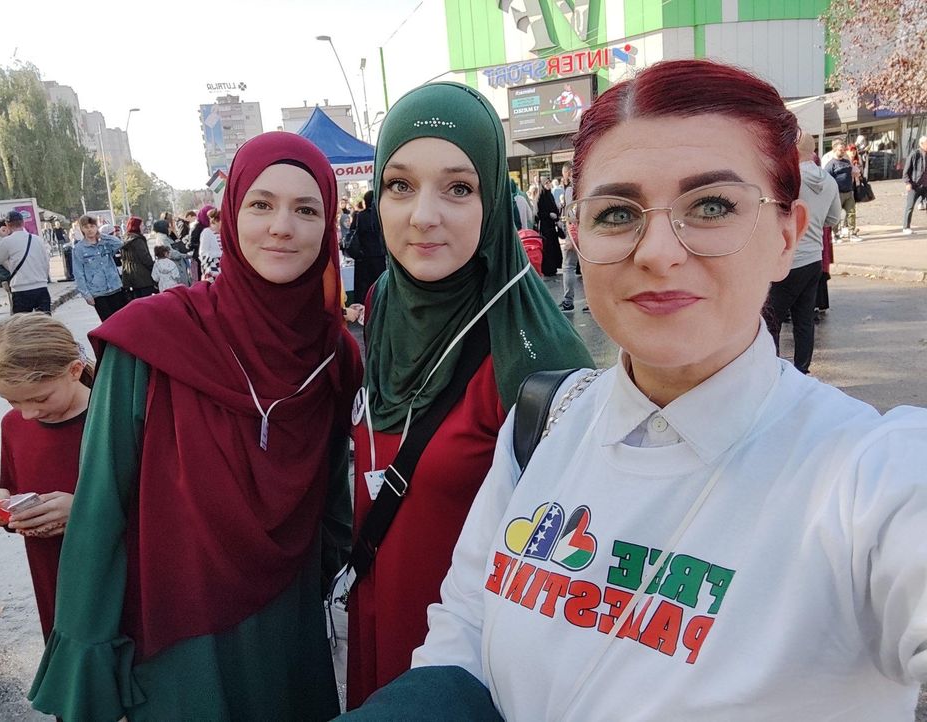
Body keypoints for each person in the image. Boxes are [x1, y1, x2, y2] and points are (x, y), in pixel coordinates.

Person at [345, 59, 927, 721]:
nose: (657, 251)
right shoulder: (545, 423)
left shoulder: (863, 477)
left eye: (711, 206)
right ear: (578, 238)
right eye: (617, 212)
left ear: (787, 237)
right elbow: (464, 640)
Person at [29, 132, 362, 721]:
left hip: (288, 635)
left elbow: (333, 500)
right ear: (231, 215)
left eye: (306, 210)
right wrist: (89, 657)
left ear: (327, 225)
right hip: (180, 647)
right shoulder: (153, 339)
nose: (281, 227)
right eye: (261, 204)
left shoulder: (333, 356)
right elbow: (102, 506)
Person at [344, 81, 593, 710]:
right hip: (377, 601)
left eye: (458, 188)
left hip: (469, 665)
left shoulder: (538, 360)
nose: (423, 215)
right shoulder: (382, 302)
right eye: (400, 185)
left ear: (493, 198)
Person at [0, 313, 92, 640]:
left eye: (40, 398)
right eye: (12, 401)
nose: (27, 413)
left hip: (115, 574)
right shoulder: (13, 425)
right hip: (52, 579)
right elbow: (15, 489)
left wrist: (83, 510)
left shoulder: (113, 418)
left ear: (74, 370)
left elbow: (163, 504)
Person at [763, 129, 840, 374]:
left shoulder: (790, 179)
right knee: (804, 320)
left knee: (770, 320)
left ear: (792, 150)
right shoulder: (829, 180)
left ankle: (771, 370)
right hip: (814, 259)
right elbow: (834, 218)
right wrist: (814, 221)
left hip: (789, 259)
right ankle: (802, 369)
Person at [0, 211, 52, 314]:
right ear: (23, 222)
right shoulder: (38, 240)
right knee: (44, 321)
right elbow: (45, 262)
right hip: (40, 287)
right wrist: (43, 279)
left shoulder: (7, 241)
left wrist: (1, 238)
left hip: (20, 288)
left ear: (7, 225)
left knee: (22, 322)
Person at [71, 215, 127, 321]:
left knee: (122, 320)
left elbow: (119, 243)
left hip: (115, 287)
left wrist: (101, 235)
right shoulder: (79, 249)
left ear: (96, 227)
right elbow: (78, 273)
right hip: (98, 292)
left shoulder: (105, 243)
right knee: (108, 323)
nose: (89, 230)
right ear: (82, 229)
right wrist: (86, 294)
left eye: (92, 226)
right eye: (86, 227)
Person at [347, 190, 385, 305]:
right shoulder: (380, 216)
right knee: (380, 284)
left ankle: (363, 308)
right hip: (378, 254)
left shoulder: (360, 216)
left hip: (362, 255)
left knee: (363, 286)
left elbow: (352, 231)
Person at [823, 140, 858, 242]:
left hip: (849, 192)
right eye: (840, 150)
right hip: (837, 193)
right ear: (835, 150)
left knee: (851, 213)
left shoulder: (847, 162)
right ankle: (836, 234)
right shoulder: (831, 164)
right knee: (836, 215)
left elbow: (853, 172)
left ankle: (852, 233)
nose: (842, 152)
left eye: (843, 150)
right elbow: (827, 179)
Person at [120, 216, 156, 300]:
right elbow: (145, 258)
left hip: (131, 276)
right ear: (136, 226)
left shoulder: (125, 239)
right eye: (141, 225)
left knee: (138, 301)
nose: (143, 227)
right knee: (147, 301)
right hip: (143, 277)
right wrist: (153, 267)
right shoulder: (138, 240)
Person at [559, 161, 579, 311]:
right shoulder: (585, 186)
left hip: (574, 231)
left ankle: (568, 301)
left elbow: (571, 214)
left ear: (568, 173)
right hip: (587, 231)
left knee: (568, 267)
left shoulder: (570, 190)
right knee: (586, 268)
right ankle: (591, 303)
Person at [151, 219, 190, 286]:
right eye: (168, 227)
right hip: (176, 267)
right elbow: (171, 253)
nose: (170, 229)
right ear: (163, 228)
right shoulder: (163, 239)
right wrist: (185, 255)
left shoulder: (166, 237)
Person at [901, 135, 927, 234]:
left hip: (926, 185)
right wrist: (908, 182)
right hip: (915, 185)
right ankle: (906, 227)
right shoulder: (914, 154)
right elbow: (906, 171)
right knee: (910, 206)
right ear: (922, 144)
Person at [536, 179, 562, 277]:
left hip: (552, 226)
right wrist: (548, 214)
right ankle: (548, 269)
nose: (548, 184)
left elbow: (554, 207)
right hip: (545, 227)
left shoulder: (550, 195)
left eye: (549, 182)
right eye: (546, 183)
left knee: (553, 247)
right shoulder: (540, 196)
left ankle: (553, 267)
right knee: (547, 247)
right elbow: (538, 213)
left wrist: (556, 217)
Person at [199, 208, 223, 282]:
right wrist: (213, 270)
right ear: (215, 221)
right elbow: (203, 253)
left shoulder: (222, 233)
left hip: (223, 265)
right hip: (213, 266)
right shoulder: (207, 232)